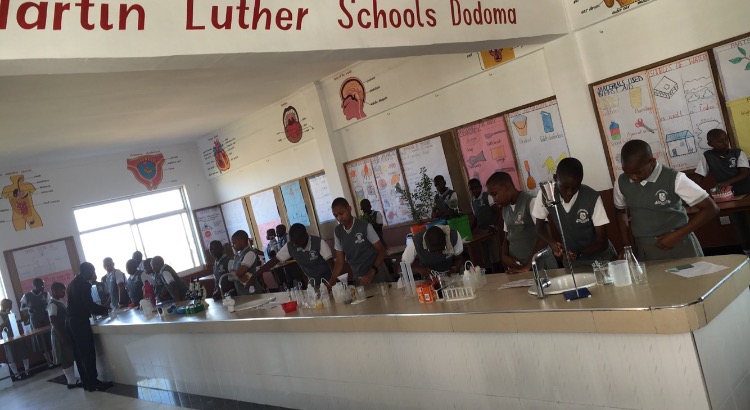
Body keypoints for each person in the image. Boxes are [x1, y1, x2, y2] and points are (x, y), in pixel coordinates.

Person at [615, 139, 719, 260]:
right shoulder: (621, 182)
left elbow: (711, 208)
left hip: (678, 243)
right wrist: (627, 245)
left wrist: (677, 235)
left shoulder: (674, 178)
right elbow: (621, 213)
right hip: (644, 247)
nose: (633, 177)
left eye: (638, 172)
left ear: (652, 162)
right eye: (628, 173)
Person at [532, 157, 616, 268]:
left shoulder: (592, 198)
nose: (569, 192)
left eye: (575, 187)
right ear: (555, 178)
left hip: (600, 258)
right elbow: (539, 228)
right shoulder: (546, 195)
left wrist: (580, 254)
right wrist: (552, 243)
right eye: (565, 187)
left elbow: (602, 242)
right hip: (571, 261)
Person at [692, 128, 750, 254]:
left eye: (726, 139)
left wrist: (726, 182)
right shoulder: (708, 156)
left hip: (746, 193)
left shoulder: (737, 152)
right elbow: (699, 176)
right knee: (739, 225)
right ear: (710, 144)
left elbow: (744, 173)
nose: (725, 143)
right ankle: (747, 253)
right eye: (720, 141)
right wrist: (690, 191)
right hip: (729, 197)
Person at [486, 172, 557, 273]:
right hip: (519, 267)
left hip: (540, 265)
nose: (494, 199)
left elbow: (545, 236)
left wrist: (528, 266)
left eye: (495, 194)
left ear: (506, 187)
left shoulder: (530, 202)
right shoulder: (505, 209)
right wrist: (504, 256)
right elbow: (507, 237)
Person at [66, 262, 112, 392]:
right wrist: (104, 310)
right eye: (92, 271)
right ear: (86, 271)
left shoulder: (72, 283)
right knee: (88, 353)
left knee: (79, 354)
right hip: (79, 321)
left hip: (70, 321)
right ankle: (93, 382)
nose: (93, 274)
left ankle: (86, 382)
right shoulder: (84, 284)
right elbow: (88, 305)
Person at [329, 197, 390, 285]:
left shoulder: (364, 226)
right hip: (359, 277)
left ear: (349, 209)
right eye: (335, 216)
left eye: (341, 213)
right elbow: (339, 261)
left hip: (376, 273)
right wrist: (331, 282)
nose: (339, 218)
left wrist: (371, 272)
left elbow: (381, 251)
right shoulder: (338, 231)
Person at [253, 223, 335, 285]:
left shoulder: (319, 242)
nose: (295, 245)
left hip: (328, 279)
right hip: (312, 281)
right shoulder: (291, 245)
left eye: (297, 242)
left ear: (305, 236)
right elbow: (273, 261)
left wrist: (331, 283)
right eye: (293, 242)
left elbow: (332, 266)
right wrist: (255, 275)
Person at [47, 282, 81, 389]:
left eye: (64, 289)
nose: (63, 292)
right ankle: (71, 381)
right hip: (59, 333)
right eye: (61, 290)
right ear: (54, 291)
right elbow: (53, 319)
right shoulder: (52, 304)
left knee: (68, 355)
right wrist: (61, 335)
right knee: (64, 357)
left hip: (64, 332)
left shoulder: (59, 302)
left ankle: (73, 379)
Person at [20, 278, 54, 368]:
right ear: (34, 286)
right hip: (35, 320)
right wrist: (29, 308)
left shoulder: (46, 294)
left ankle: (55, 359)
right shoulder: (27, 296)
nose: (42, 287)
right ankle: (49, 362)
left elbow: (50, 304)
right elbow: (22, 308)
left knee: (49, 337)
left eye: (43, 285)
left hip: (46, 318)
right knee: (40, 340)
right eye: (40, 285)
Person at [1, 298, 31, 380]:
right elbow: (1, 327)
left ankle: (27, 371)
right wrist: (8, 317)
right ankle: (16, 375)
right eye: (10, 305)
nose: (11, 307)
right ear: (5, 305)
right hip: (7, 337)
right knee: (11, 356)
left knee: (23, 352)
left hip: (16, 335)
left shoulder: (11, 313)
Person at [228, 230, 265, 295]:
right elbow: (230, 276)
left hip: (251, 291)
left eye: (234, 243)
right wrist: (237, 275)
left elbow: (239, 273)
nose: (232, 245)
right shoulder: (237, 256)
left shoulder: (250, 253)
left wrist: (235, 274)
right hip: (241, 291)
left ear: (242, 241)